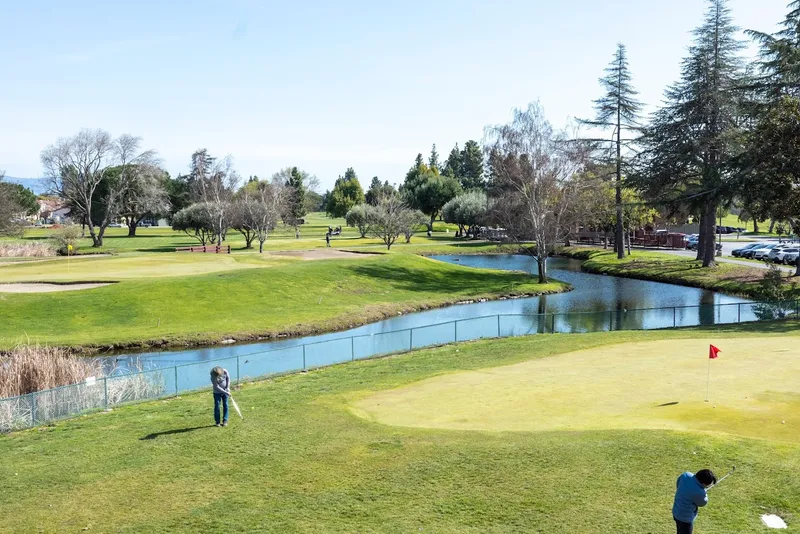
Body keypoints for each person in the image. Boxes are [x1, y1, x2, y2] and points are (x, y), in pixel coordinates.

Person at [672, 469, 717, 534]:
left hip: (676, 511)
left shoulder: (686, 475)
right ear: (703, 483)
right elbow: (702, 503)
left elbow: (678, 483)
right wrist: (704, 493)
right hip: (685, 519)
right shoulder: (699, 492)